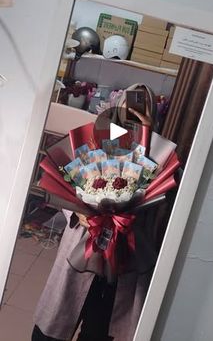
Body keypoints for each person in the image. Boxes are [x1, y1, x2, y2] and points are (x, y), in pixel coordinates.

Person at [32, 84, 173, 341]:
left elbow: (163, 210)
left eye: (139, 116)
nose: (130, 123)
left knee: (98, 330)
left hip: (121, 265)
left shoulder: (159, 162)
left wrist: (147, 142)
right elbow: (65, 191)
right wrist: (79, 214)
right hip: (80, 251)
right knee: (51, 329)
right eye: (124, 114)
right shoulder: (91, 149)